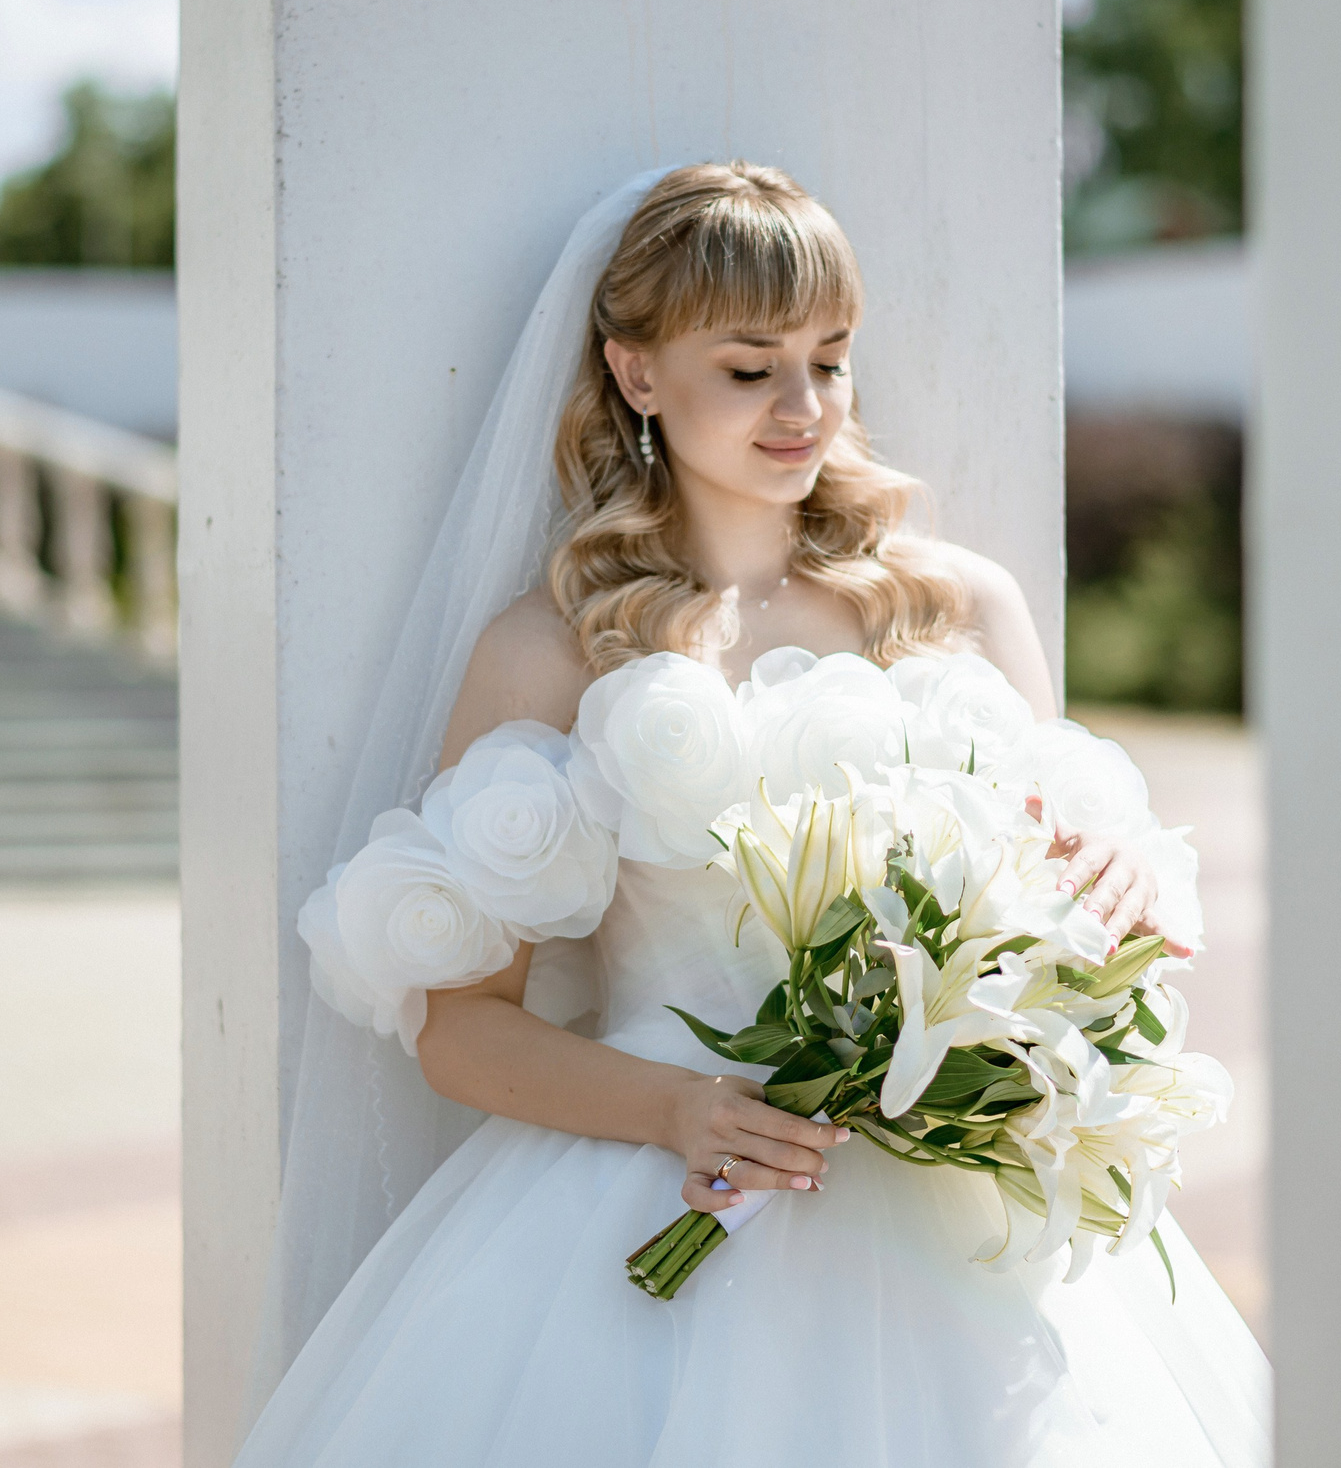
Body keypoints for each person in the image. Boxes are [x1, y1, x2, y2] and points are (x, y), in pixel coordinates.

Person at [237, 163, 1270, 1467]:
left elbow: (1060, 892)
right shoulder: (550, 656)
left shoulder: (958, 608)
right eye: (750, 367)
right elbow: (460, 1032)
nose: (805, 408)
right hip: (661, 1208)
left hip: (961, 1235)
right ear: (636, 373)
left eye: (829, 361)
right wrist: (677, 1110)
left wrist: (1099, 887)